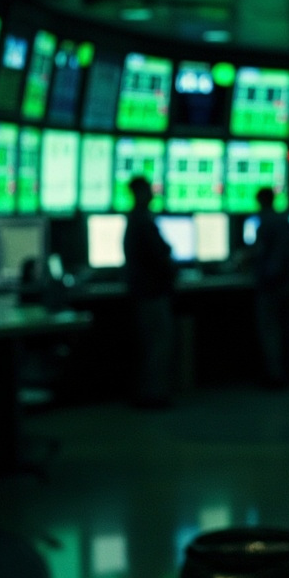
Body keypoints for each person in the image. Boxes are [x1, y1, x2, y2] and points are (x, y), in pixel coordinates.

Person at [122, 175, 177, 408]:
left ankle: (149, 392)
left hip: (143, 290)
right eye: (148, 191)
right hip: (151, 292)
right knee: (157, 343)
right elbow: (159, 254)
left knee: (150, 344)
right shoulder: (142, 221)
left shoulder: (135, 220)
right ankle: (153, 394)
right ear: (140, 193)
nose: (152, 195)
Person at [251, 186, 289, 388]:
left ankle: (275, 376)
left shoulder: (265, 224)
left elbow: (264, 254)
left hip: (271, 285)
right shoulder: (286, 222)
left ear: (261, 202)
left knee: (270, 330)